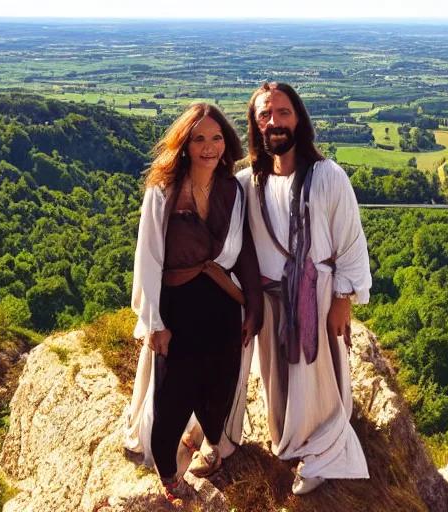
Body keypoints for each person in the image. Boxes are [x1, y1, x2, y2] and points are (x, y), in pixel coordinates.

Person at [235, 82, 372, 495]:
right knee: (279, 378)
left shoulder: (328, 176)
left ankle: (321, 452)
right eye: (265, 115)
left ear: (298, 119)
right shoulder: (247, 183)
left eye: (282, 112)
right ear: (256, 126)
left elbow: (349, 240)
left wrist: (343, 300)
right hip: (272, 301)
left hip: (317, 296)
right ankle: (289, 441)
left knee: (316, 380)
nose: (273, 122)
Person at [124, 102, 263, 502]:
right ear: (184, 144)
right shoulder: (163, 190)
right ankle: (169, 477)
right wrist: (153, 322)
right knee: (173, 395)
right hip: (178, 306)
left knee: (220, 386)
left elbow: (241, 251)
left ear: (227, 143)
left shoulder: (232, 189)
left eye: (216, 138)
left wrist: (251, 307)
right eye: (199, 138)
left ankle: (212, 447)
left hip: (221, 301)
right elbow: (148, 258)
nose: (208, 147)